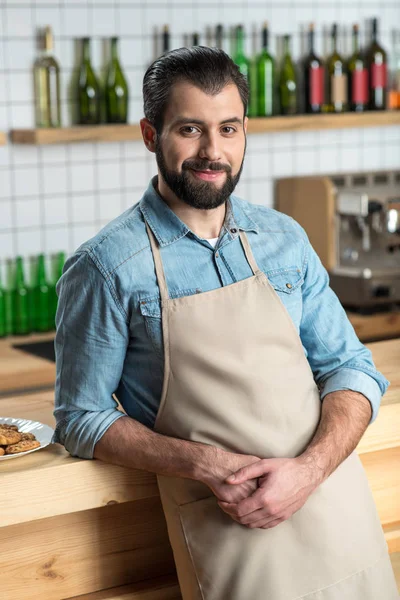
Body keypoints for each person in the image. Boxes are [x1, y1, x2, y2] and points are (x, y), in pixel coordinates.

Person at [52, 47, 398, 599]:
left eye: (229, 129)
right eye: (190, 129)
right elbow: (81, 418)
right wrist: (205, 463)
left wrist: (308, 471)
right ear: (150, 134)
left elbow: (352, 369)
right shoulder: (106, 267)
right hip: (230, 529)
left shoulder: (285, 238)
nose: (213, 151)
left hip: (336, 514)